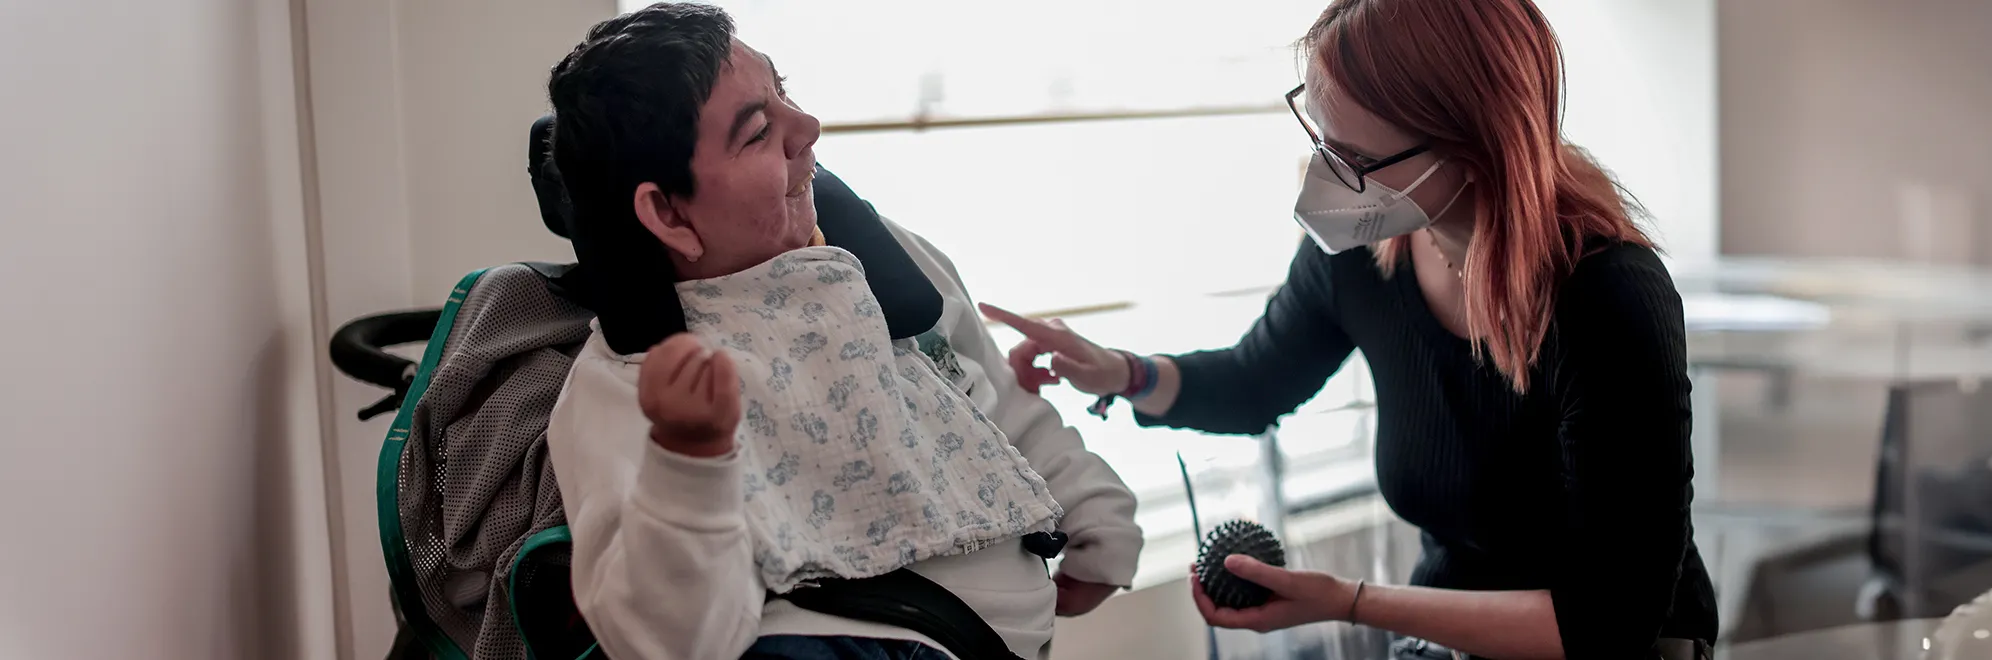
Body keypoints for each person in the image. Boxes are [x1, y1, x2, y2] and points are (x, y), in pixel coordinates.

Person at [985, 0, 1715, 657]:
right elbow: (1254, 382)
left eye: (1356, 160)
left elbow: (1609, 624)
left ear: (1471, 147)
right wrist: (1122, 372)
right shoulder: (1369, 253)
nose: (1327, 179)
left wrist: (1347, 601)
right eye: (1322, 140)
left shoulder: (1609, 298)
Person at [539, 4, 1139, 659]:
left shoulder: (889, 272)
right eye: (760, 130)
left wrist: (1098, 514)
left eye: (784, 90)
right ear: (668, 213)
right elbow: (674, 642)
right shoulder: (626, 392)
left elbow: (996, 409)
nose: (810, 127)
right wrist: (690, 458)